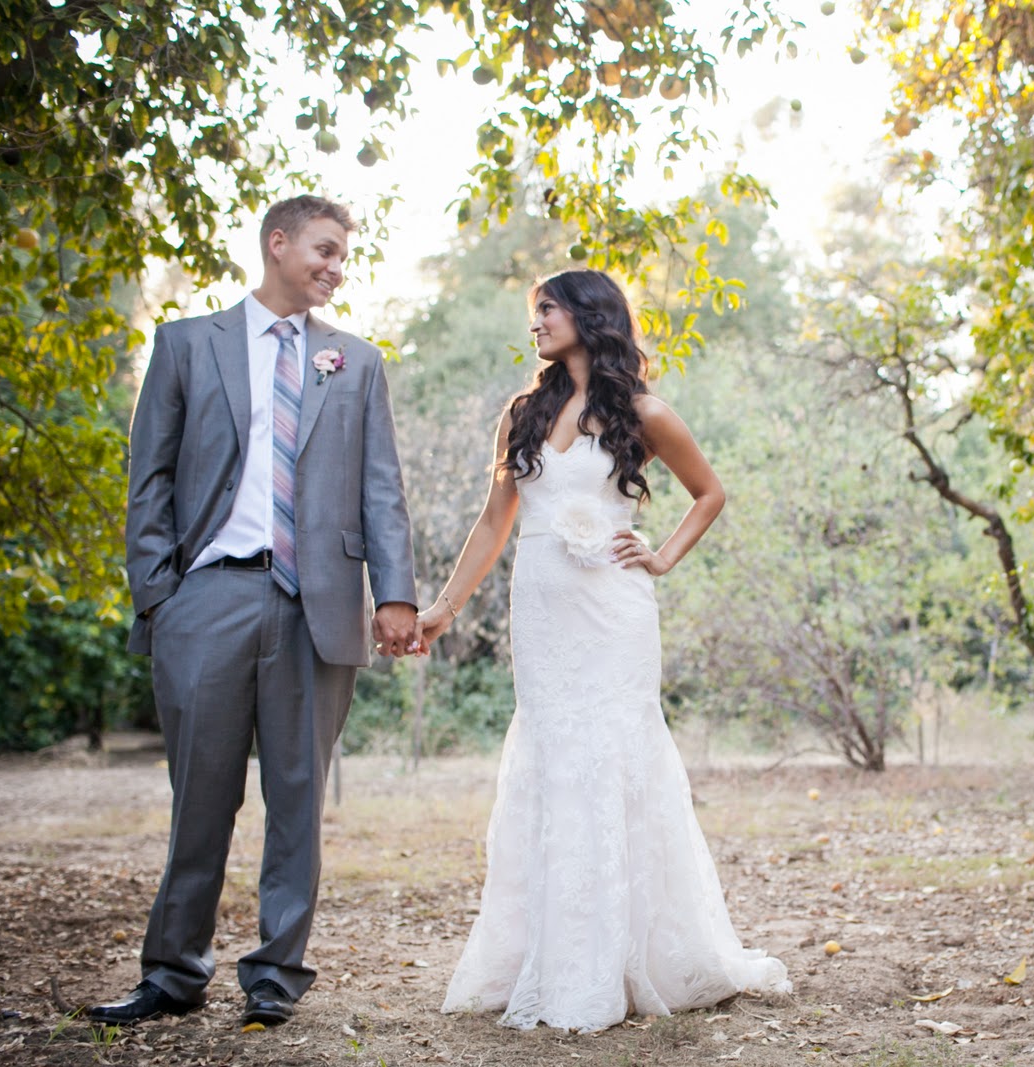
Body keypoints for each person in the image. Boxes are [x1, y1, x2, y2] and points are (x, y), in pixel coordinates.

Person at [416, 269, 790, 1032]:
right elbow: (494, 522)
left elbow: (710, 492)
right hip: (542, 614)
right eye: (534, 312)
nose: (536, 322)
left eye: (547, 308)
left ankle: (621, 958)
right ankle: (550, 954)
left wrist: (662, 556)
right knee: (552, 761)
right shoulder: (522, 413)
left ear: (590, 315)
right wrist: (443, 609)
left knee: (613, 759)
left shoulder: (643, 412)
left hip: (614, 614)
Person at [91, 195, 419, 1028]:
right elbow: (148, 479)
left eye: (342, 255)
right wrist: (159, 594)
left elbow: (382, 486)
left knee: (298, 798)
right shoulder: (184, 344)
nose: (336, 267)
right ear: (278, 243)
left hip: (317, 604)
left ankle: (276, 974)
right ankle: (172, 971)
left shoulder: (356, 361)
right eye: (324, 249)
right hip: (205, 598)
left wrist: (396, 593)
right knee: (200, 797)